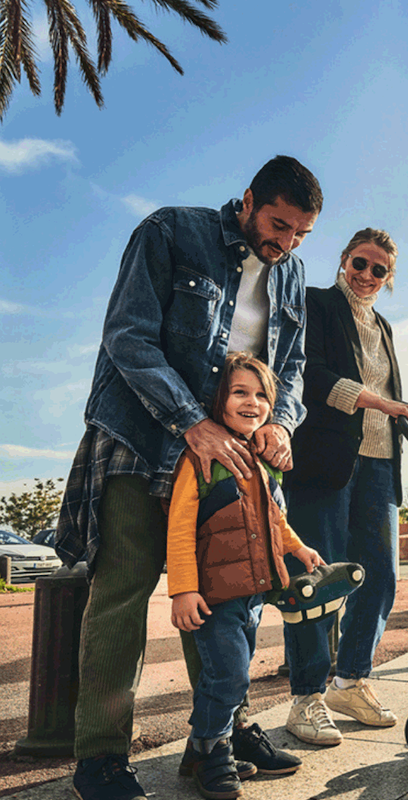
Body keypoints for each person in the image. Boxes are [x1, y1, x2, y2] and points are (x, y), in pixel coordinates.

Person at [55, 155, 323, 800]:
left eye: (300, 235)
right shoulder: (172, 231)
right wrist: (187, 422)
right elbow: (128, 337)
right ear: (249, 198)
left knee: (231, 595)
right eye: (278, 224)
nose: (284, 243)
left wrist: (280, 424)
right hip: (145, 442)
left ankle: (218, 740)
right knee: (123, 594)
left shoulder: (293, 277)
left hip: (232, 464)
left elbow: (291, 368)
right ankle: (100, 758)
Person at [281, 228, 408, 746]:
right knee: (318, 579)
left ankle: (350, 681)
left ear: (389, 278)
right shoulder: (314, 304)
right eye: (361, 263)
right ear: (343, 259)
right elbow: (305, 373)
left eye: (380, 270)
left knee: (381, 578)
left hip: (381, 465)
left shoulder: (384, 327)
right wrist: (380, 403)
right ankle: (306, 697)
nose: (367, 275)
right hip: (326, 464)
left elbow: (385, 397)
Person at [168, 352, 322, 799]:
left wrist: (298, 548)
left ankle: (200, 747)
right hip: (215, 594)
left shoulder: (264, 462)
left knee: (234, 673)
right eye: (240, 393)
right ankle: (214, 750)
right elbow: (179, 527)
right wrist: (183, 590)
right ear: (218, 401)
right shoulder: (199, 459)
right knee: (229, 675)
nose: (252, 402)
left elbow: (276, 518)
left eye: (261, 396)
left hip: (254, 593)